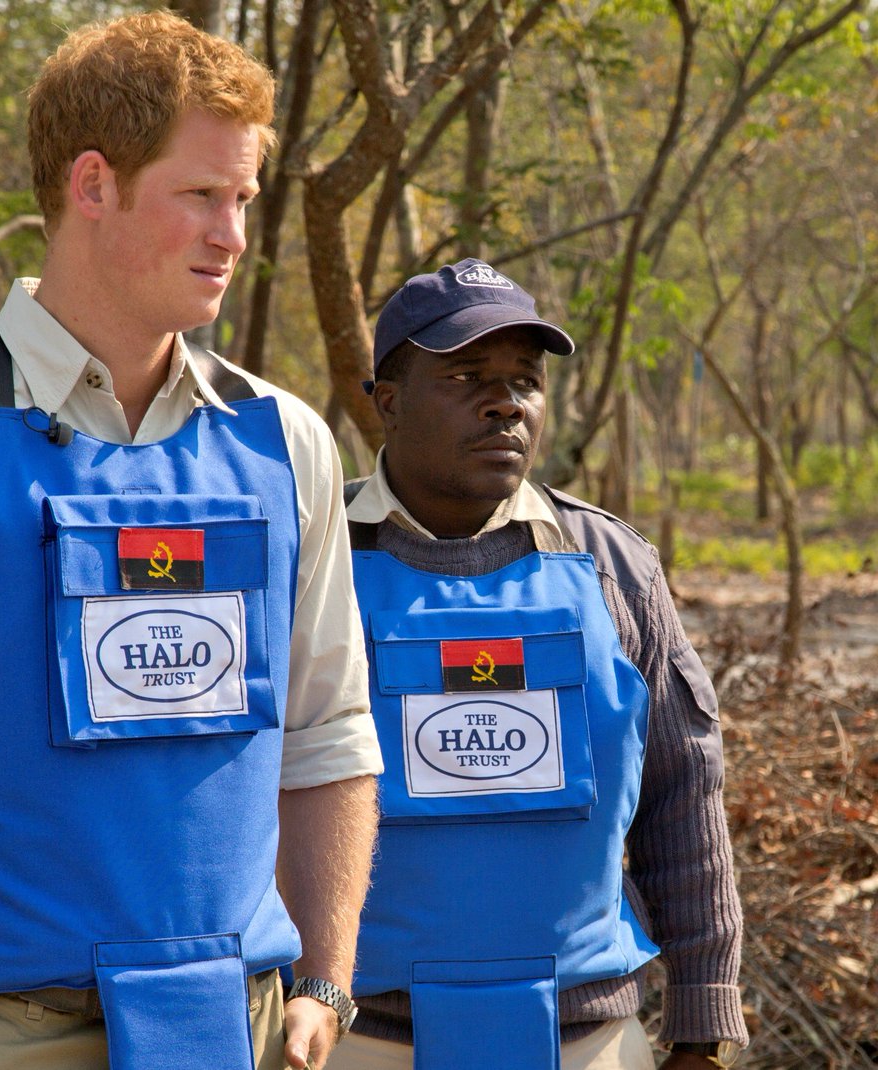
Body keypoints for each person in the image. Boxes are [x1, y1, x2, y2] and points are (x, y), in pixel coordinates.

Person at [0, 13, 381, 1070]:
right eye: (200, 195)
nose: (232, 234)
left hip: (248, 1023)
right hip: (4, 1029)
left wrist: (324, 980)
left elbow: (330, 731)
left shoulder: (286, 442)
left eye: (242, 200)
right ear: (92, 184)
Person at [331, 259, 749, 1070]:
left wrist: (704, 1027)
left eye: (526, 380)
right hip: (357, 1040)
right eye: (466, 376)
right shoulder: (311, 560)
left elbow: (683, 796)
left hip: (586, 1041)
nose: (506, 403)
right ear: (386, 400)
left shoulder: (611, 566)